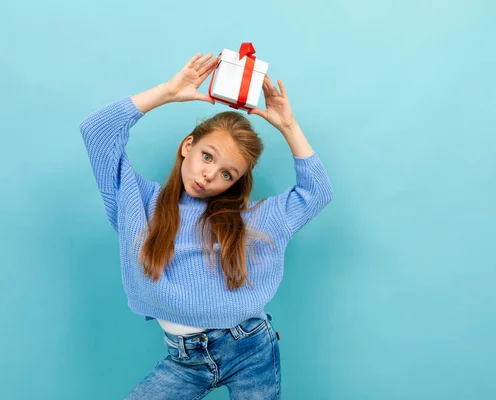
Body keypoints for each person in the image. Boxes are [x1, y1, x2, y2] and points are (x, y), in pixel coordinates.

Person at [79, 51, 334, 399]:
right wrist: (168, 92)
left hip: (250, 348)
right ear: (188, 146)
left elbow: (317, 192)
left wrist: (288, 125)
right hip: (184, 361)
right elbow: (96, 131)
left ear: (235, 183)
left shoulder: (251, 221)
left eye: (227, 174)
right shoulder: (138, 202)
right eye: (207, 156)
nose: (209, 175)